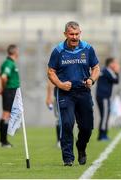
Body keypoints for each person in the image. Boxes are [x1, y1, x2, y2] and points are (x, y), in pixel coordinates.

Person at [47, 21, 100, 166]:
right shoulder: (58, 51)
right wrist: (60, 85)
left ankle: (81, 148)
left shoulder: (88, 49)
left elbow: (96, 68)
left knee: (87, 127)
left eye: (77, 34)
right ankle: (68, 158)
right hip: (66, 94)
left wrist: (91, 79)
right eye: (71, 34)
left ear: (80, 33)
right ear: (65, 34)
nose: (75, 37)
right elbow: (51, 72)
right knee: (67, 123)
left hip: (83, 92)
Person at [0, 44, 20, 147]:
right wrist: (3, 88)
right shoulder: (9, 63)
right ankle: (3, 141)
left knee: (7, 114)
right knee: (6, 115)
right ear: (15, 52)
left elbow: (0, 76)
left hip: (11, 91)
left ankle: (3, 140)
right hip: (9, 90)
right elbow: (3, 76)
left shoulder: (10, 63)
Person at [96, 57, 120, 141]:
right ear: (110, 64)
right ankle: (102, 135)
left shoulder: (103, 70)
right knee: (105, 116)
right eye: (115, 63)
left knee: (104, 115)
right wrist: (116, 72)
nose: (116, 65)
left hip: (101, 96)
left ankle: (102, 134)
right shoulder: (108, 71)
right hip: (104, 97)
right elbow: (116, 80)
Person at [46, 79, 61, 148]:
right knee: (59, 119)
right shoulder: (56, 68)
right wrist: (49, 96)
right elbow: (51, 81)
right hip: (59, 96)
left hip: (73, 96)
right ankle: (59, 141)